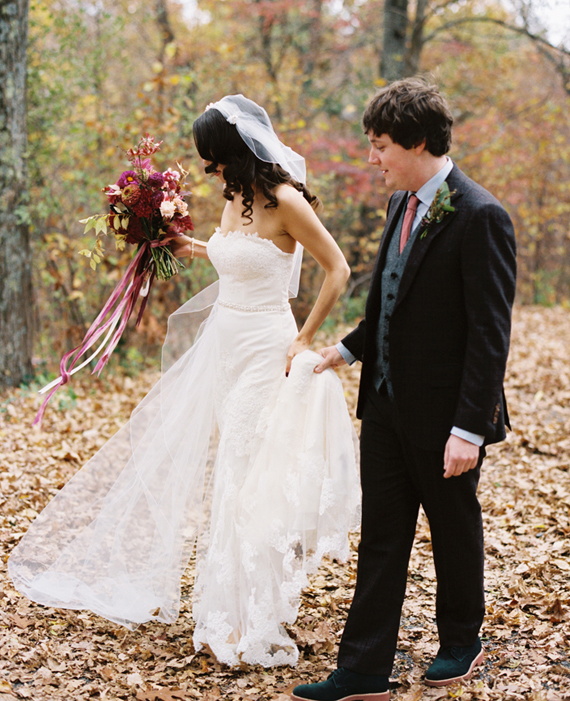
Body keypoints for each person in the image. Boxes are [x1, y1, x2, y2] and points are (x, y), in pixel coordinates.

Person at [8, 94, 360, 668]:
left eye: (213, 158)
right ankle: (232, 604)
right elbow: (235, 258)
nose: (208, 170)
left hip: (264, 345)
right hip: (224, 343)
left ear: (235, 152)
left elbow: (337, 268)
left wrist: (304, 337)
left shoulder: (285, 201)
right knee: (232, 468)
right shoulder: (235, 201)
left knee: (245, 472)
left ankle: (254, 614)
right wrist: (182, 244)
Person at [293, 78, 517, 701]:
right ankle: (364, 669)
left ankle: (460, 643)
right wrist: (342, 351)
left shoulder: (481, 216)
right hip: (385, 408)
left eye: (381, 145)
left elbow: (489, 335)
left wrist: (469, 428)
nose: (373, 158)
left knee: (452, 529)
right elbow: (391, 302)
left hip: (448, 418)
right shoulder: (399, 205)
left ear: (417, 142)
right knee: (384, 536)